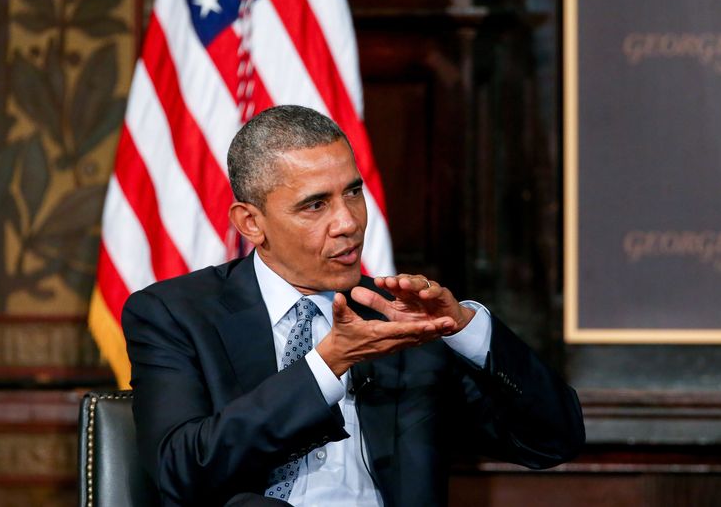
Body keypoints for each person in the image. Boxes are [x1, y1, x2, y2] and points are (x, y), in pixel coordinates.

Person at [122, 105, 584, 507]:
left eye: (353, 192)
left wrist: (463, 329)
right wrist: (328, 365)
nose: (348, 222)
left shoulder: (399, 317)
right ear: (251, 222)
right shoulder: (174, 315)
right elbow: (180, 472)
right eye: (315, 205)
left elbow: (551, 442)